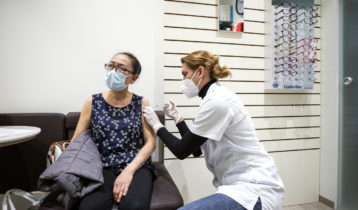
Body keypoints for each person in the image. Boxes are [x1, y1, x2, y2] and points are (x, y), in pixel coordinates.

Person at [144, 50, 284, 210]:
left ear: (200, 71)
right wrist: (178, 119)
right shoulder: (212, 99)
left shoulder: (217, 102)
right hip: (237, 186)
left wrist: (157, 125)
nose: (183, 80)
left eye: (185, 74)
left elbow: (181, 151)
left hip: (253, 188)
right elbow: (196, 150)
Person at [71, 52, 156, 210]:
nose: (113, 71)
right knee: (89, 207)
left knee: (136, 206)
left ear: (133, 78)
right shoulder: (92, 102)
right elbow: (77, 139)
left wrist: (128, 171)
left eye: (121, 69)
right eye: (111, 65)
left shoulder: (142, 103)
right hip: (101, 166)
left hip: (136, 165)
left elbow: (151, 142)